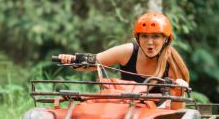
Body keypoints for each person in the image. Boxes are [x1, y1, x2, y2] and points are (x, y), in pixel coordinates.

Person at [58, 11, 191, 99]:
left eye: (156, 36)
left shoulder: (172, 65)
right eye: (144, 36)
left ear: (166, 39)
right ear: (138, 38)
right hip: (125, 112)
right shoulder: (128, 52)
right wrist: (72, 60)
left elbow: (177, 111)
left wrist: (179, 91)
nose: (149, 42)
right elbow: (93, 62)